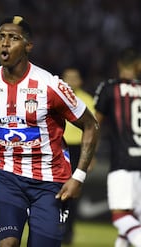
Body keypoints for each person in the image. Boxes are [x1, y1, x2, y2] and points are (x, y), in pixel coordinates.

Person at [0, 15, 99, 247]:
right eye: (0, 37)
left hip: (50, 181)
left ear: (28, 46)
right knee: (8, 243)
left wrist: (79, 176)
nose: (5, 43)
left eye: (13, 38)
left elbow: (90, 125)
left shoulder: (50, 86)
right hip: (6, 176)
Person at [94, 48, 141, 247]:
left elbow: (95, 124)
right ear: (137, 66)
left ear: (119, 65)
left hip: (122, 161)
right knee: (132, 219)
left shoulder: (109, 87)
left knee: (121, 217)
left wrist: (90, 155)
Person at [62, 67, 96, 244]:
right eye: (67, 77)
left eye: (74, 78)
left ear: (80, 81)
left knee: (73, 192)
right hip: (58, 148)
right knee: (53, 189)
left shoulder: (87, 100)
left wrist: (91, 155)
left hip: (78, 149)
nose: (70, 81)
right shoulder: (57, 95)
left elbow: (93, 129)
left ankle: (68, 232)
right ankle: (54, 227)